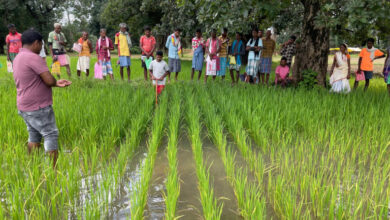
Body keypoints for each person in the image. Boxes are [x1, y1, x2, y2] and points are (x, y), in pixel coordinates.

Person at [13, 29, 71, 168]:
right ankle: (54, 170)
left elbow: (34, 80)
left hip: (24, 105)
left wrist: (57, 83)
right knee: (50, 134)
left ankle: (33, 167)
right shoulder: (34, 57)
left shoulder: (18, 57)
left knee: (34, 136)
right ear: (36, 43)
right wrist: (54, 81)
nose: (42, 48)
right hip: (38, 106)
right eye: (41, 44)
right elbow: (49, 80)